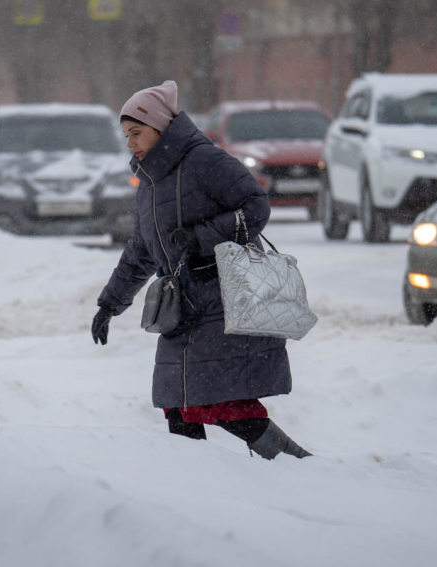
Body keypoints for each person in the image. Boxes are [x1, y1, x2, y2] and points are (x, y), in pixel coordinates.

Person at [91, 80, 311, 460]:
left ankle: (303, 470)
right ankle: (196, 491)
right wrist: (110, 304)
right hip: (183, 311)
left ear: (160, 127)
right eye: (126, 135)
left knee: (217, 401)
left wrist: (201, 238)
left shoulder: (204, 160)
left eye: (136, 133)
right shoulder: (150, 182)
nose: (130, 143)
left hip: (223, 300)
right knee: (178, 403)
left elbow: (256, 206)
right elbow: (142, 249)